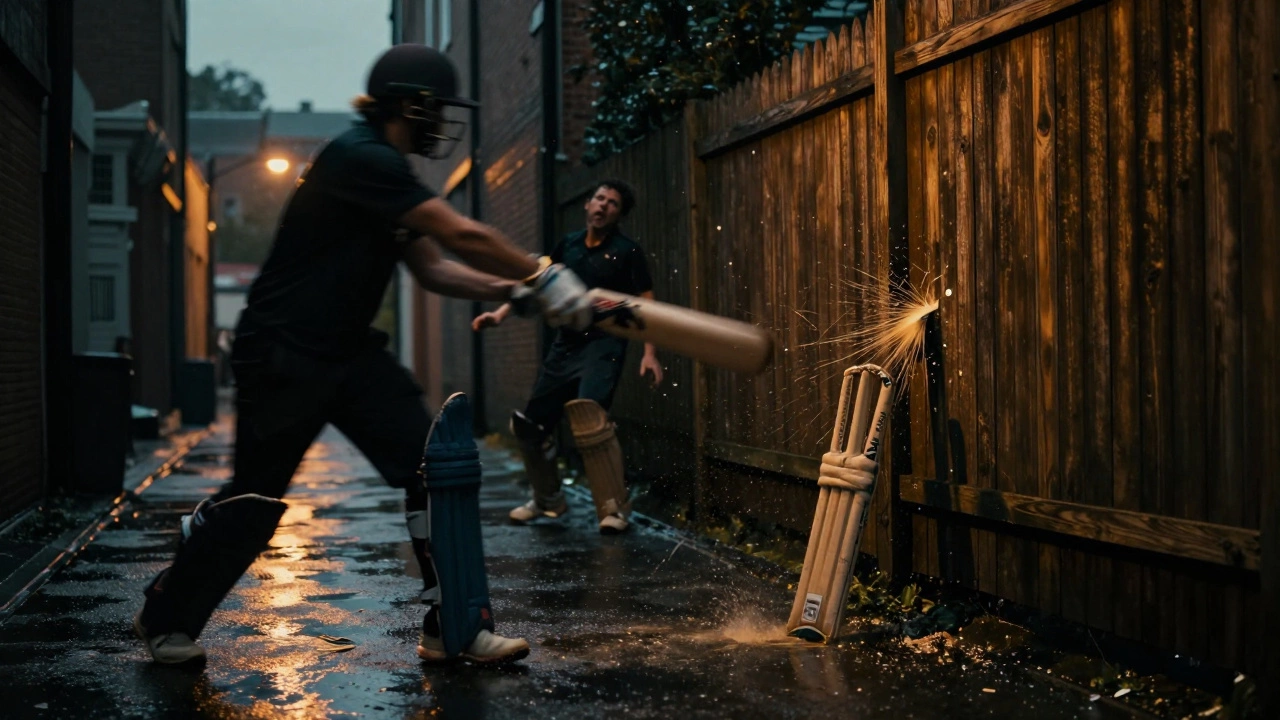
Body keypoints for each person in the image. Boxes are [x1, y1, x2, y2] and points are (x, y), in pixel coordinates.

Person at [132, 44, 594, 666]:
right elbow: (461, 234)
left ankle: (453, 626)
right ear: (411, 105)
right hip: (284, 352)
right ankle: (166, 616)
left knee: (434, 470)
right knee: (256, 499)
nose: (444, 125)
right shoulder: (360, 157)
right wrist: (543, 273)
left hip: (349, 354)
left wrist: (514, 290)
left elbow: (432, 269)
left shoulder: (389, 175)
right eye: (439, 111)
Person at [471, 180, 662, 535]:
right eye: (600, 198)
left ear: (620, 214)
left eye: (613, 203)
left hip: (604, 344)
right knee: (530, 425)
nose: (604, 206)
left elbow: (644, 303)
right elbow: (537, 282)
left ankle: (615, 509)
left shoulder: (627, 251)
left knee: (591, 416)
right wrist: (499, 315)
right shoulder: (569, 245)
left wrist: (650, 352)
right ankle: (547, 500)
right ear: (587, 204)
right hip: (566, 345)